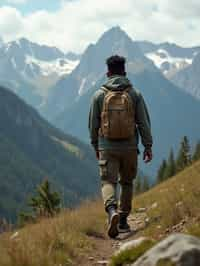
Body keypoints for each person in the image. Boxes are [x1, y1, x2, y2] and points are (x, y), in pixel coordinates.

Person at [88, 55, 153, 238]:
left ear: (108, 72)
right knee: (127, 182)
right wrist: (147, 146)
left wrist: (95, 145)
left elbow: (93, 124)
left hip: (107, 147)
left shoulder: (99, 95)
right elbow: (143, 123)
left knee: (108, 181)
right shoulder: (134, 94)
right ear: (124, 72)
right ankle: (123, 220)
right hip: (130, 147)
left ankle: (111, 211)